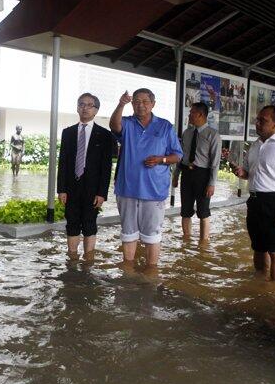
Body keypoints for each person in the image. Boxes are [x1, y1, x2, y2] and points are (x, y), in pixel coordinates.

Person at [109, 88, 182, 267]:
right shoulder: (127, 123)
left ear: (153, 104)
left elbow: (177, 155)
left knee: (152, 235)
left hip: (154, 190)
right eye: (136, 101)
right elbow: (114, 126)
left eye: (145, 101)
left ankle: (151, 273)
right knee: (128, 233)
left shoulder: (165, 126)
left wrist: (161, 159)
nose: (140, 105)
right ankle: (128, 271)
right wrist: (121, 104)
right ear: (132, 104)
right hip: (127, 188)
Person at [233, 105, 275, 281]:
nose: (257, 123)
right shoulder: (256, 145)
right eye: (257, 119)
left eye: (262, 120)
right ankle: (260, 285)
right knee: (258, 246)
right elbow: (251, 173)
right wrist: (243, 173)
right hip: (255, 201)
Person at [57, 93, 113, 262]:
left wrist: (102, 193)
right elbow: (63, 163)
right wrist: (61, 189)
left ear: (96, 110)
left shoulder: (105, 135)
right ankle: (72, 259)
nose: (85, 108)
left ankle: (89, 261)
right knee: (71, 223)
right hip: (71, 187)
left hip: (93, 189)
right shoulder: (68, 133)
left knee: (90, 224)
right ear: (77, 108)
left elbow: (106, 167)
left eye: (90, 105)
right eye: (81, 104)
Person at [173, 102, 221, 242]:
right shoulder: (187, 133)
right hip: (187, 174)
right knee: (185, 211)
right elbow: (181, 156)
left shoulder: (213, 135)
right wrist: (176, 175)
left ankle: (203, 244)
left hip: (203, 176)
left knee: (203, 212)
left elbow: (215, 162)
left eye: (192, 112)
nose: (189, 115)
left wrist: (211, 183)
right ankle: (186, 241)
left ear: (200, 114)